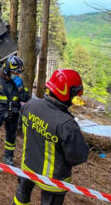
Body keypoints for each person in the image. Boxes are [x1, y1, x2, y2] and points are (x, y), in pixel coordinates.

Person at [12, 69, 89, 205]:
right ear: (68, 94)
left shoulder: (30, 105)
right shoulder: (67, 124)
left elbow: (20, 128)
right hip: (52, 180)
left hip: (28, 166)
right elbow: (78, 157)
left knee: (20, 199)